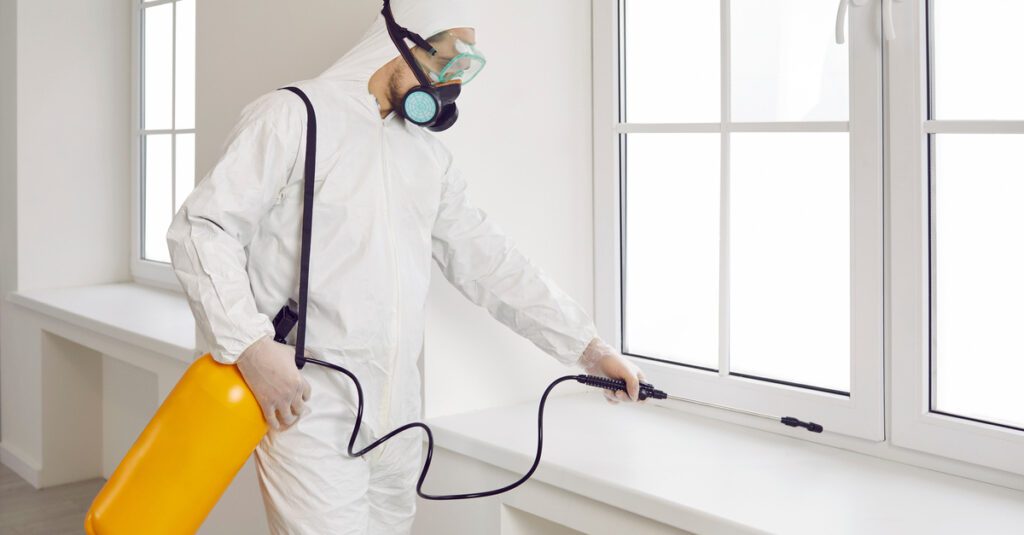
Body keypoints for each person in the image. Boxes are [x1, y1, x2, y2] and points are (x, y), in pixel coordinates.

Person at [165, 0, 647, 533]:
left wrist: (588, 348)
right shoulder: (294, 115)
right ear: (401, 39)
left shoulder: (425, 156)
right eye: (446, 60)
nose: (449, 81)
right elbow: (202, 228)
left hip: (399, 415)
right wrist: (252, 347)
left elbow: (490, 260)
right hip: (309, 406)